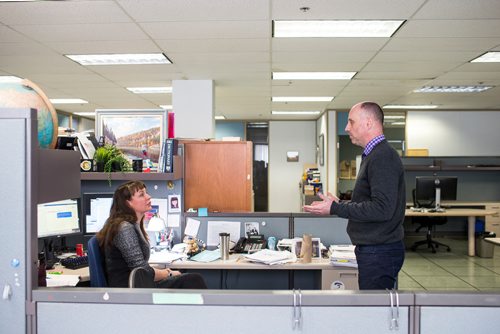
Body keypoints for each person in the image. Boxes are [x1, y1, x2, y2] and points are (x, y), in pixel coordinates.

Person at [304, 101, 405, 290]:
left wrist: (335, 208)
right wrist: (340, 202)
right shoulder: (373, 155)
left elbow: (382, 209)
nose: (346, 127)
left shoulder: (382, 156)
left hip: (380, 251)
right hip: (375, 249)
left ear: (368, 123)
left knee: (375, 311)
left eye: (351, 122)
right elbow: (371, 202)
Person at [96, 180, 207, 289]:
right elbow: (142, 271)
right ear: (127, 203)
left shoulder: (132, 224)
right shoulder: (124, 228)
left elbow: (141, 269)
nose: (148, 197)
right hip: (131, 290)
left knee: (190, 279)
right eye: (141, 195)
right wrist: (168, 273)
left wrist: (165, 273)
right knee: (193, 280)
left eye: (146, 193)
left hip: (139, 284)